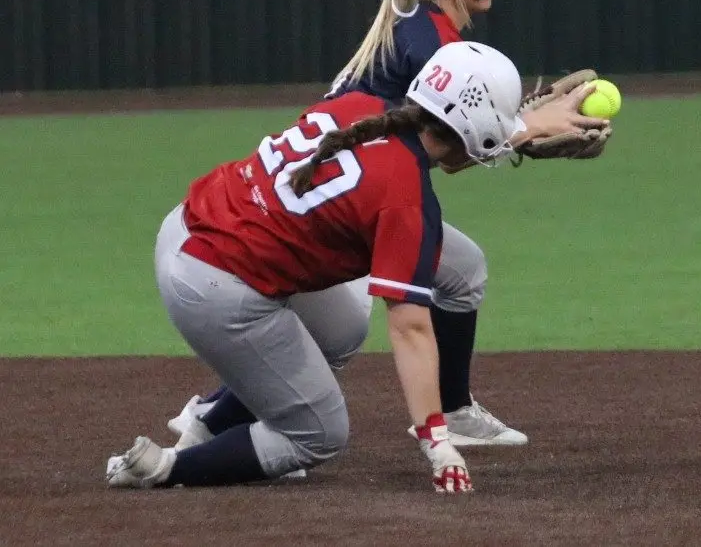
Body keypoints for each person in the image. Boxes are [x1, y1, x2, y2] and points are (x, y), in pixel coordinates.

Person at [106, 42, 607, 493]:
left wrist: (517, 128)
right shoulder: (407, 203)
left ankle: (208, 426)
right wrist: (437, 441)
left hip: (193, 227)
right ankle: (163, 467)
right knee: (319, 435)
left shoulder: (364, 107)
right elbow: (410, 328)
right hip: (214, 283)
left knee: (341, 328)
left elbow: (443, 147)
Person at [166, 0, 537, 452]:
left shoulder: (423, 25)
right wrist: (535, 128)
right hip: (343, 196)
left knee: (345, 326)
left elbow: (449, 144)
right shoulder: (432, 46)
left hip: (334, 182)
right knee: (445, 280)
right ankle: (449, 416)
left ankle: (209, 417)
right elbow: (456, 150)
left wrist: (530, 126)